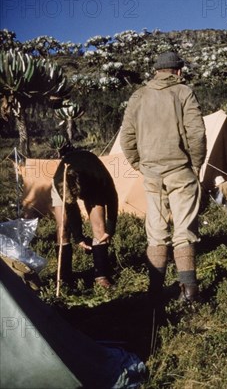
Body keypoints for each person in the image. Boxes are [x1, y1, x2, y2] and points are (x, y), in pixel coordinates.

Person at [120, 51, 206, 303]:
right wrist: (197, 165)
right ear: (178, 71)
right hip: (180, 170)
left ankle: (154, 292)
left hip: (151, 172)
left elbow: (127, 137)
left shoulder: (138, 96)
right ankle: (189, 290)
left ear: (156, 71)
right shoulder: (183, 92)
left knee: (156, 231)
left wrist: (139, 164)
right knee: (184, 230)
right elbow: (197, 134)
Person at [52, 149, 118, 289]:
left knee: (100, 228)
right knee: (62, 228)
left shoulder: (100, 178)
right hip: (65, 183)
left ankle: (101, 276)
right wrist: (78, 237)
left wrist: (110, 228)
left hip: (92, 183)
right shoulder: (60, 181)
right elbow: (71, 210)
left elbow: (112, 199)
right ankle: (64, 278)